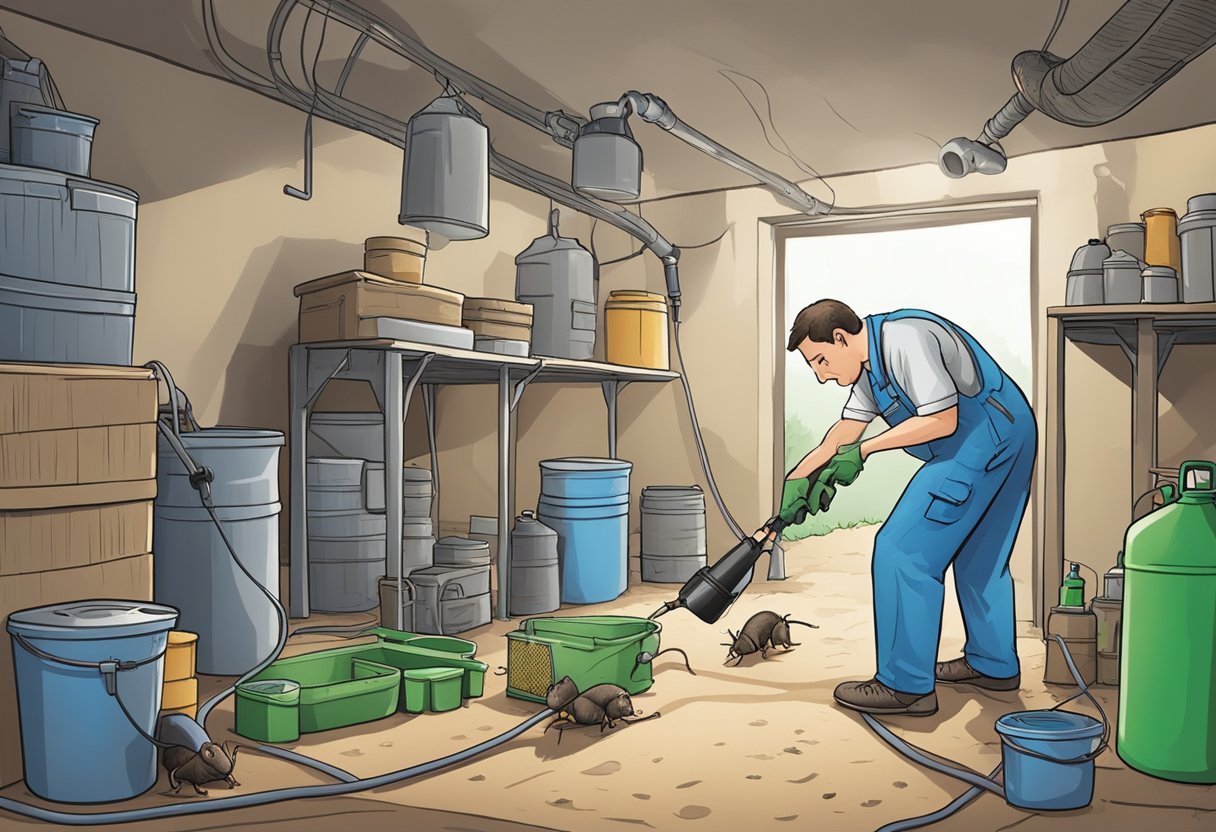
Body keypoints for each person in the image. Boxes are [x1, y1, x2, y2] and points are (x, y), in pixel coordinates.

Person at [778, 299, 1036, 716]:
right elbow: (843, 433)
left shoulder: (904, 339)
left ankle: (905, 685)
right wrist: (799, 476)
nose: (822, 375)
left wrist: (865, 451)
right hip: (1012, 428)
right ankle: (993, 664)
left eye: (822, 360)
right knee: (980, 557)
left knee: (903, 549)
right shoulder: (866, 369)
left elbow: (942, 421)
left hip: (981, 436)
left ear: (841, 338)